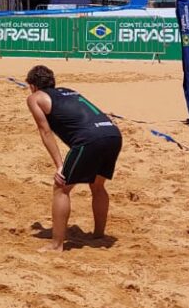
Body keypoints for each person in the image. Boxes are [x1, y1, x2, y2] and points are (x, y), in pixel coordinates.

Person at [23, 64, 123, 251]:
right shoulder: (69, 91)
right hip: (113, 134)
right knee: (98, 186)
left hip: (89, 140)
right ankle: (99, 235)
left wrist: (59, 165)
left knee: (61, 187)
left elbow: (45, 132)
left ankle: (56, 245)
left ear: (33, 86)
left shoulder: (34, 98)